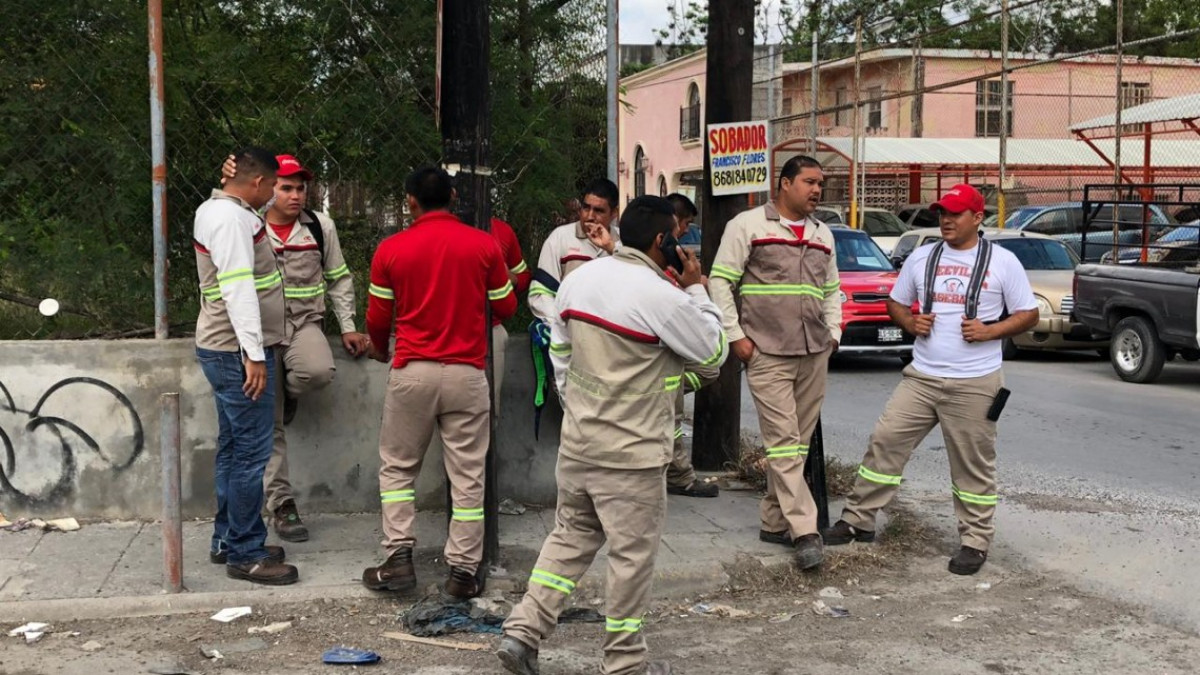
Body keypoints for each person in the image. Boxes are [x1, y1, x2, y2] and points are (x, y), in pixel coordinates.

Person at [497, 196, 728, 675]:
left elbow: (561, 355)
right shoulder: (662, 296)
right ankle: (624, 663)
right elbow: (712, 352)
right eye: (677, 238)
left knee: (569, 538)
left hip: (580, 443)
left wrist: (579, 409)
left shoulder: (579, 280)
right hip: (633, 456)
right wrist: (697, 290)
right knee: (631, 558)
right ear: (661, 240)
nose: (682, 245)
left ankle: (523, 632)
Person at [821, 184, 1039, 576]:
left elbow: (1029, 314)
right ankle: (858, 520)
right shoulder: (922, 257)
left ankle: (974, 542)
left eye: (955, 213)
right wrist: (909, 322)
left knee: (972, 465)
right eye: (942, 213)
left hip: (975, 381)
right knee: (885, 442)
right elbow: (895, 302)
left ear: (977, 218)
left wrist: (990, 331)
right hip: (921, 377)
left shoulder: (1003, 262)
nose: (946, 220)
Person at [361, 167, 517, 598]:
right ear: (452, 196)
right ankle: (463, 572)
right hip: (468, 373)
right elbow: (507, 305)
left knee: (398, 467)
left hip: (413, 371)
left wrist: (380, 349)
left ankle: (398, 559)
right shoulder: (483, 245)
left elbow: (378, 317)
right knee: (468, 474)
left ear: (410, 201)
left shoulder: (391, 250)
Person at [222, 153, 370, 543]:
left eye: (301, 188)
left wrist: (348, 326)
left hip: (304, 325)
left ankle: (288, 392)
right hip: (261, 333)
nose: (295, 195)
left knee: (317, 371)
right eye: (286, 187)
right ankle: (282, 504)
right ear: (268, 188)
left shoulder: (320, 226)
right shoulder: (247, 224)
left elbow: (339, 278)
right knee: (268, 424)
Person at [709, 155, 842, 570]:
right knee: (784, 442)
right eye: (809, 181)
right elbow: (720, 281)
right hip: (766, 352)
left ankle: (772, 520)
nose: (817, 190)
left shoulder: (823, 234)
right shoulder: (748, 225)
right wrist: (736, 337)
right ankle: (805, 530)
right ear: (784, 184)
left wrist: (834, 334)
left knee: (796, 444)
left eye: (820, 183)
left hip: (813, 351)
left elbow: (832, 289)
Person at [193, 147, 298, 585]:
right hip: (235, 352)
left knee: (235, 448)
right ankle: (246, 553)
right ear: (257, 183)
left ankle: (229, 538)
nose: (274, 194)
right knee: (251, 454)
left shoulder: (221, 210)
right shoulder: (232, 221)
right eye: (273, 185)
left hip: (223, 348)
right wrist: (253, 355)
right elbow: (239, 290)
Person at [663, 192, 719, 499]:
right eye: (684, 224)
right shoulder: (663, 254)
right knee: (672, 416)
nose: (686, 231)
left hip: (672, 353)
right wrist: (697, 288)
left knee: (708, 369)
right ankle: (679, 475)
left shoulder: (673, 252)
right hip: (667, 343)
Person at [527, 179, 621, 323]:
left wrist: (612, 247)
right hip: (567, 327)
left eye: (598, 211)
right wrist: (562, 325)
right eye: (586, 208)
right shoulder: (560, 238)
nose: (590, 216)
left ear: (614, 213)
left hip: (611, 330)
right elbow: (541, 293)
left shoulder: (622, 242)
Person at [488, 216, 531, 401]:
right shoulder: (437, 231)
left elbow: (524, 276)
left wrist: (509, 278)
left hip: (491, 330)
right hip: (439, 334)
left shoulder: (502, 231)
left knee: (489, 405)